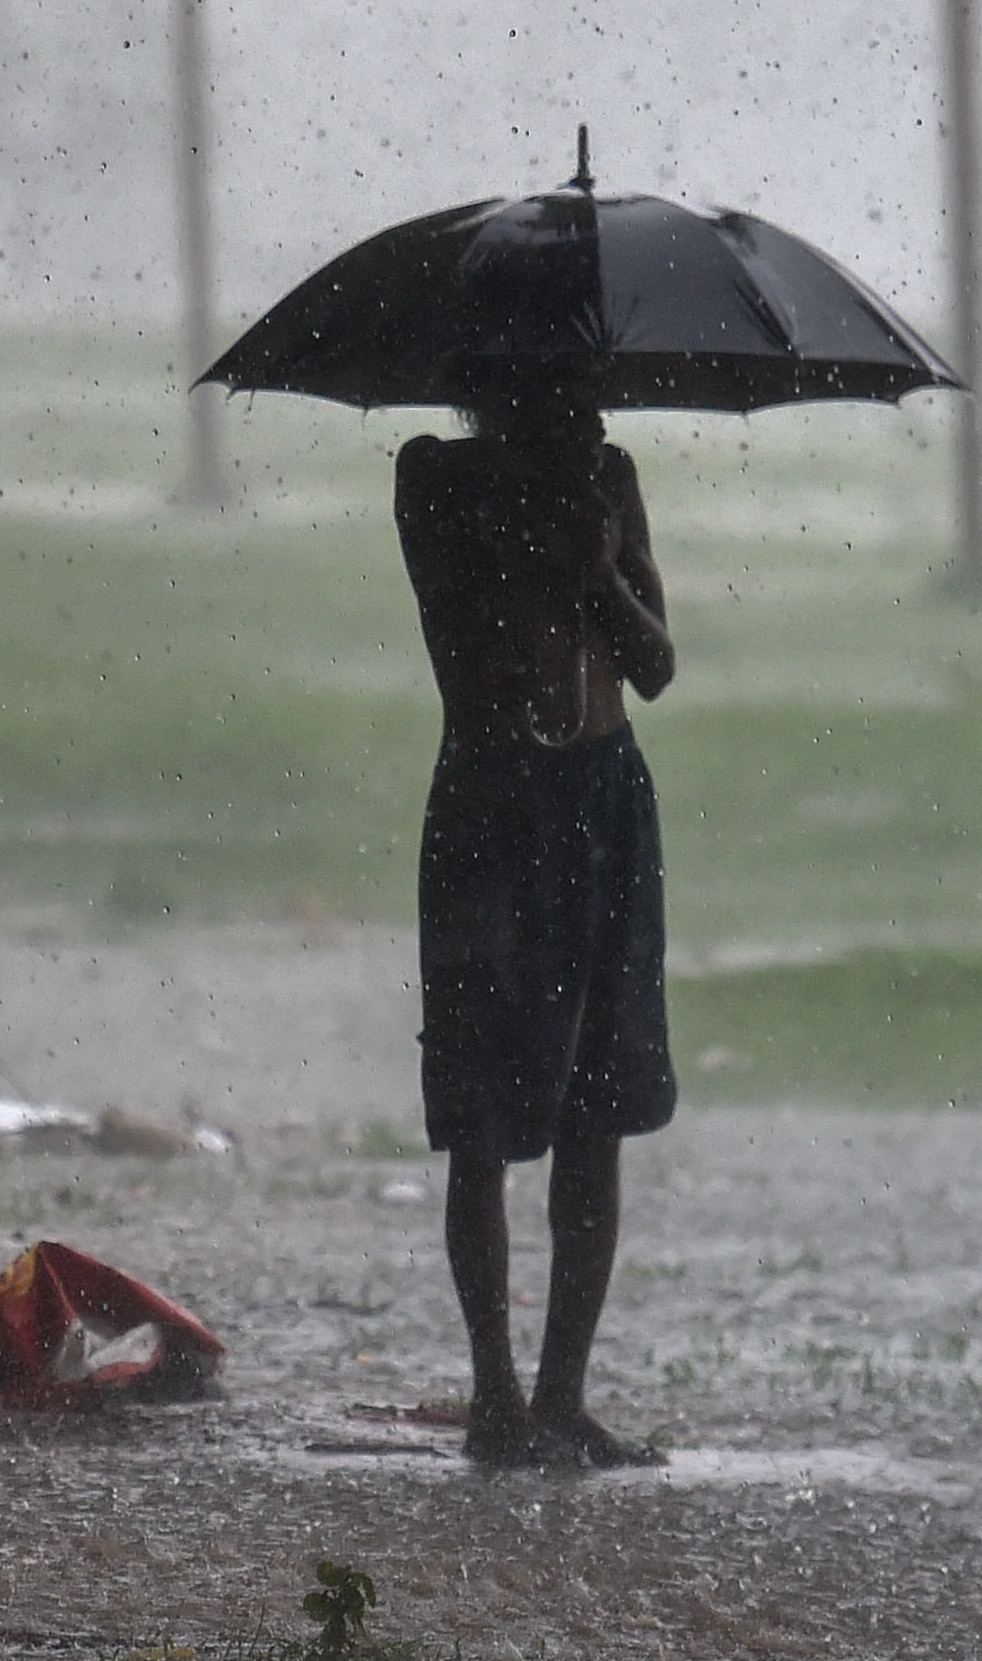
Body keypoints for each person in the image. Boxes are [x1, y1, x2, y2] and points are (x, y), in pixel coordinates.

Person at [393, 363, 678, 1470]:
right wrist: (543, 547)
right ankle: (494, 1396)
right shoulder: (435, 483)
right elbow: (460, 653)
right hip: (491, 809)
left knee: (597, 1108)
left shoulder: (608, 479)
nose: (593, 416)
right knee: (479, 1117)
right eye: (567, 394)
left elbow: (653, 664)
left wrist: (601, 573)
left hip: (605, 804)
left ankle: (561, 1396)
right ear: (501, 391)